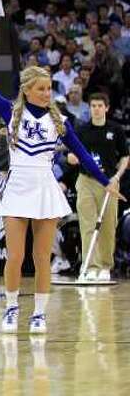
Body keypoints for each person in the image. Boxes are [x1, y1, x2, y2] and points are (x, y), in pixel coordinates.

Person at [0, 58, 121, 333]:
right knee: (15, 256)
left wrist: (107, 182)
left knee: (42, 257)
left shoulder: (61, 122)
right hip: (18, 188)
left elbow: (82, 155)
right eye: (42, 89)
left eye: (49, 88)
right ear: (27, 91)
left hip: (45, 187)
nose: (48, 93)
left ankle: (39, 314)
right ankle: (11, 308)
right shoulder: (11, 113)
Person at [69, 92, 128, 281]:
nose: (96, 109)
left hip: (109, 183)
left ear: (107, 108)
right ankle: (90, 267)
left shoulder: (115, 129)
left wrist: (117, 176)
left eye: (100, 106)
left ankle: (105, 266)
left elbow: (125, 156)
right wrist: (72, 158)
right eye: (93, 106)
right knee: (87, 224)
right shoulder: (82, 130)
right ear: (90, 108)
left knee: (108, 226)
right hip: (86, 181)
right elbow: (72, 155)